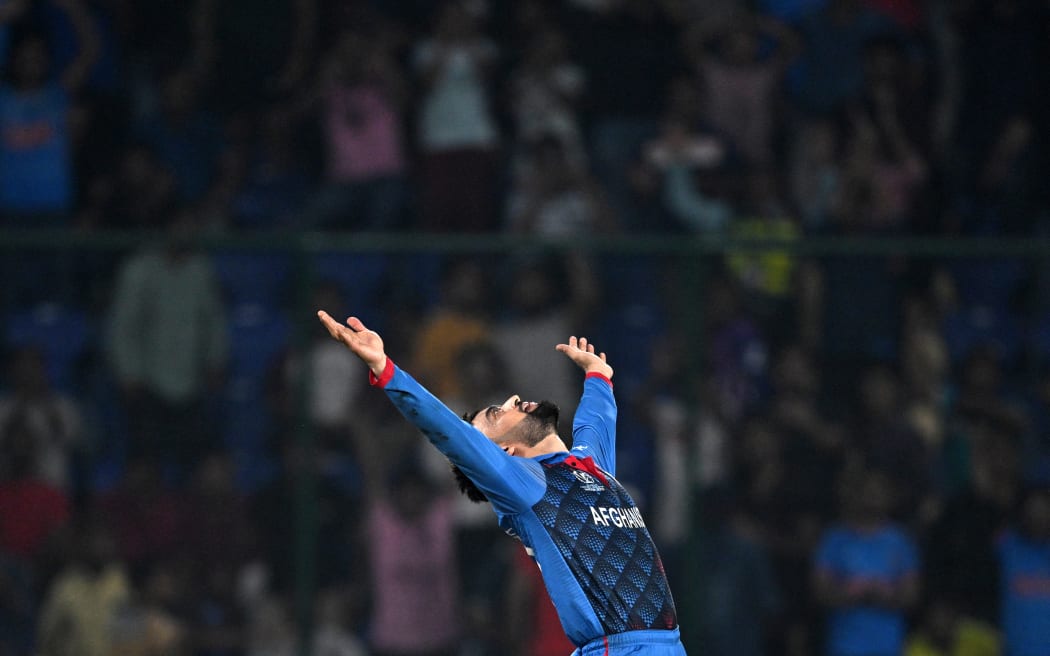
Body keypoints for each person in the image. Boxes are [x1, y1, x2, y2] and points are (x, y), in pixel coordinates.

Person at [316, 311, 685, 655]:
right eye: (496, 413)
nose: (511, 399)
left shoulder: (591, 467)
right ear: (504, 452)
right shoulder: (528, 485)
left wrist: (597, 376)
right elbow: (447, 431)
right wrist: (385, 369)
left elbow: (597, 420)